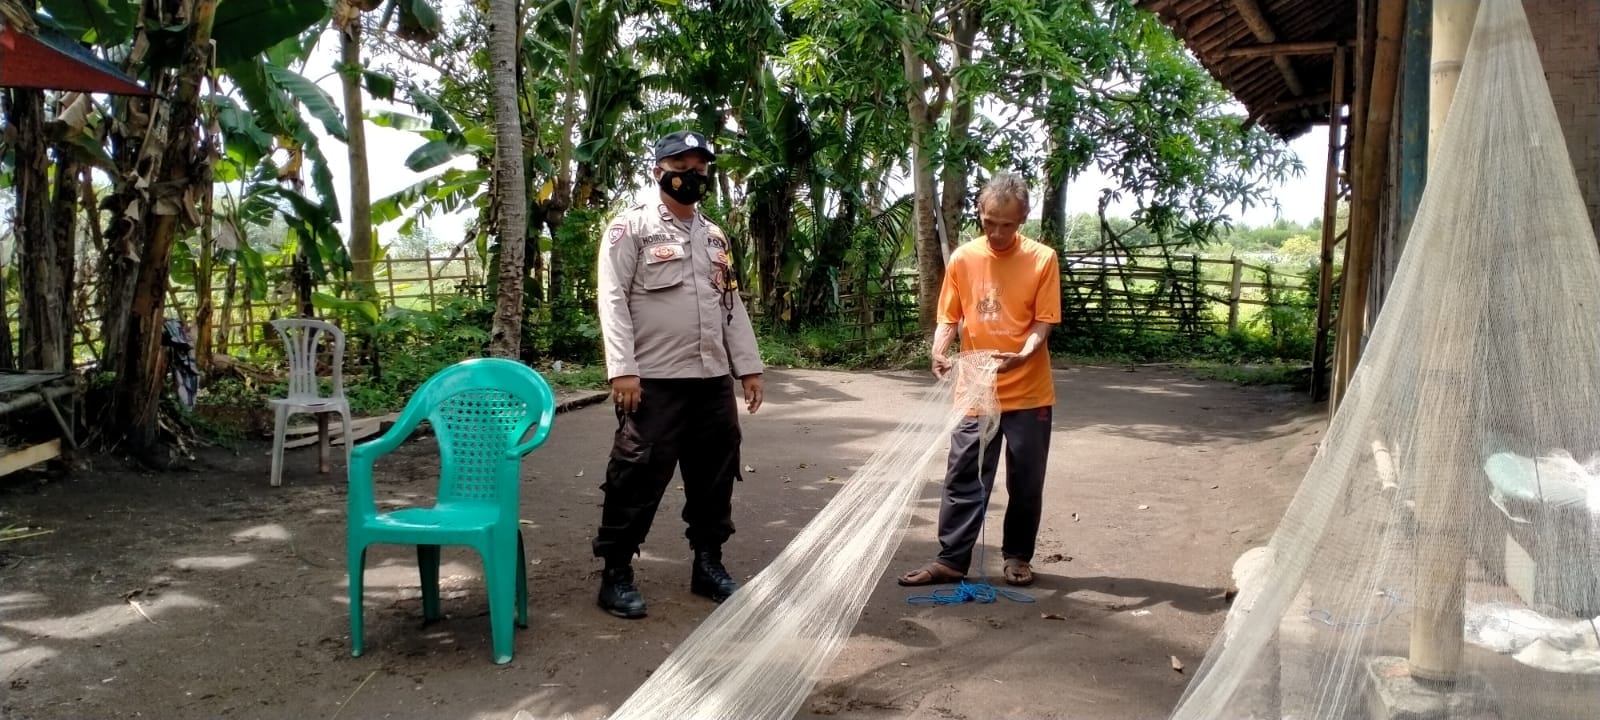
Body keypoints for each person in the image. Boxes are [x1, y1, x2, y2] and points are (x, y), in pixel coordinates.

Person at [592, 129, 765, 619]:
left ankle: (707, 564)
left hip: (711, 381)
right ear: (658, 171)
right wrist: (622, 370)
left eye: (700, 169)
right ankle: (616, 572)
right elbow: (612, 300)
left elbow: (730, 305)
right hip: (653, 381)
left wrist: (747, 368)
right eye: (682, 167)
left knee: (714, 477)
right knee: (635, 475)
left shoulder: (714, 236)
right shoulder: (631, 229)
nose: (692, 176)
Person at [897, 173, 1061, 589]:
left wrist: (1021, 356)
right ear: (980, 214)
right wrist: (938, 349)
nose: (998, 232)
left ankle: (1017, 557)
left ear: (1023, 218)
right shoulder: (964, 259)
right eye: (990, 222)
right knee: (964, 474)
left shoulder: (1042, 259)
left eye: (1008, 224)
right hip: (974, 386)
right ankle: (952, 559)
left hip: (1028, 390)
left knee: (1026, 479)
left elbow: (1042, 324)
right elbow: (949, 316)